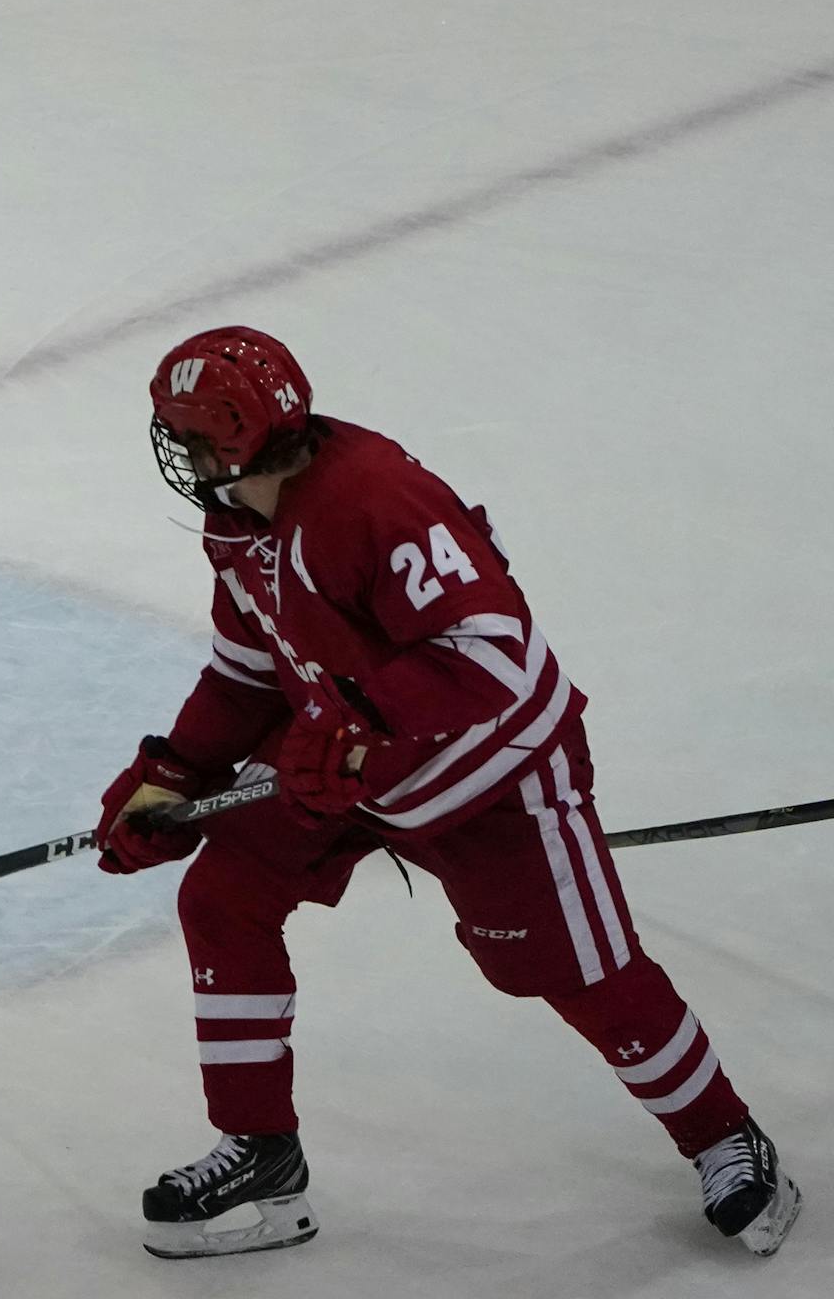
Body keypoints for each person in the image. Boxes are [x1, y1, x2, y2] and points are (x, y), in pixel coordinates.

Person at [94, 326, 799, 1260]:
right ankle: (262, 1153)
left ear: (224, 439)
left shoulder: (370, 501)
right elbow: (248, 671)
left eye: (182, 433)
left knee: (580, 972)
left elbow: (493, 649)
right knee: (224, 897)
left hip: (486, 772)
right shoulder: (239, 522)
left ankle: (725, 1137)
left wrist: (357, 724)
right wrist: (175, 773)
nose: (173, 450)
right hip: (341, 764)